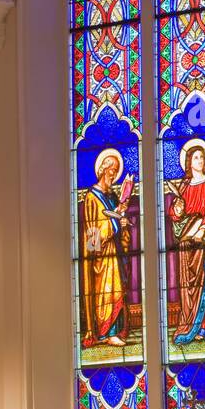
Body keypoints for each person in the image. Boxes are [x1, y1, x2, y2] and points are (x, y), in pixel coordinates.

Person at [168, 139, 205, 345]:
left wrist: (203, 228)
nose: (199, 160)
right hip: (187, 244)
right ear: (189, 162)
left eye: (202, 157)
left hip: (204, 241)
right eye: (195, 157)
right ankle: (192, 325)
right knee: (189, 288)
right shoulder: (183, 186)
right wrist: (177, 209)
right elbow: (176, 215)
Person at [81, 148, 132, 348]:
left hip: (116, 252)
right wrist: (115, 222)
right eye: (113, 170)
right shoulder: (91, 198)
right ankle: (105, 333)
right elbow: (91, 238)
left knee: (119, 290)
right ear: (103, 170)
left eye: (117, 170)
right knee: (108, 292)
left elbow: (117, 223)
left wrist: (123, 223)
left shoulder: (111, 197)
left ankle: (115, 331)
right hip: (103, 257)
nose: (114, 174)